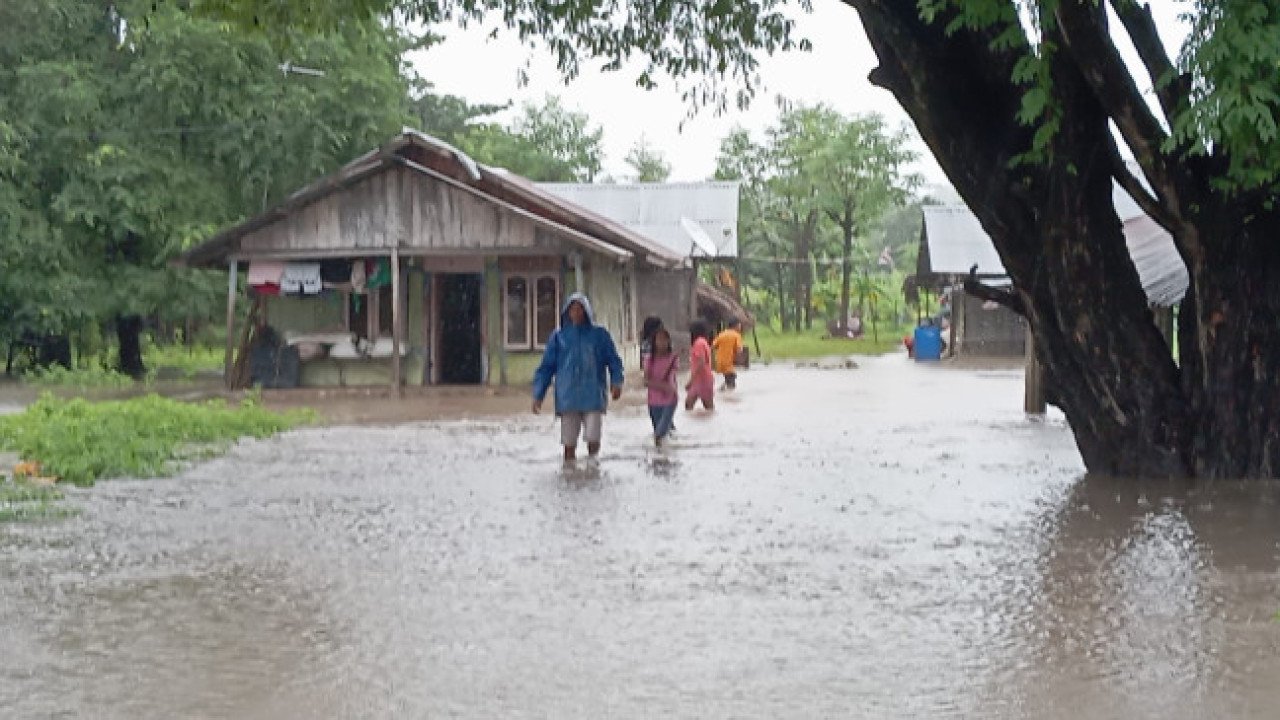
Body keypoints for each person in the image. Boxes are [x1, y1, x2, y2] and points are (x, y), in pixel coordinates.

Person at [532, 293, 624, 462]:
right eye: (573, 309)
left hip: (593, 395)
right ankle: (569, 475)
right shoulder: (559, 337)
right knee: (568, 443)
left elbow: (613, 360)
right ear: (567, 312)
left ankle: (593, 469)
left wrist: (617, 382)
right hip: (568, 397)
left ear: (587, 311)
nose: (576, 313)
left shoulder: (599, 335)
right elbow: (546, 368)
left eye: (580, 309)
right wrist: (538, 395)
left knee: (593, 438)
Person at [643, 327, 679, 446]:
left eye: (665, 339)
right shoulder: (649, 360)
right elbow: (646, 381)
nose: (662, 343)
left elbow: (672, 377)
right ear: (654, 342)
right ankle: (663, 456)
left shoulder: (673, 358)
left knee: (659, 434)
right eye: (659, 339)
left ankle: (662, 456)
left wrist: (669, 387)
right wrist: (663, 387)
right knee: (659, 433)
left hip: (670, 400)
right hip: (653, 401)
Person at [685, 320, 715, 411]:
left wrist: (691, 380)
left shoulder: (699, 343)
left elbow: (701, 363)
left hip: (702, 380)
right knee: (689, 405)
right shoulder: (703, 342)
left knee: (708, 407)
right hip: (701, 380)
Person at [712, 318, 745, 391]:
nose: (740, 327)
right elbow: (739, 349)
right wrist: (739, 360)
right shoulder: (736, 335)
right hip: (728, 363)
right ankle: (728, 398)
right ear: (735, 325)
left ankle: (722, 392)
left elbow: (713, 346)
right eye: (739, 325)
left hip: (720, 362)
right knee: (731, 383)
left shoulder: (722, 334)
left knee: (729, 378)